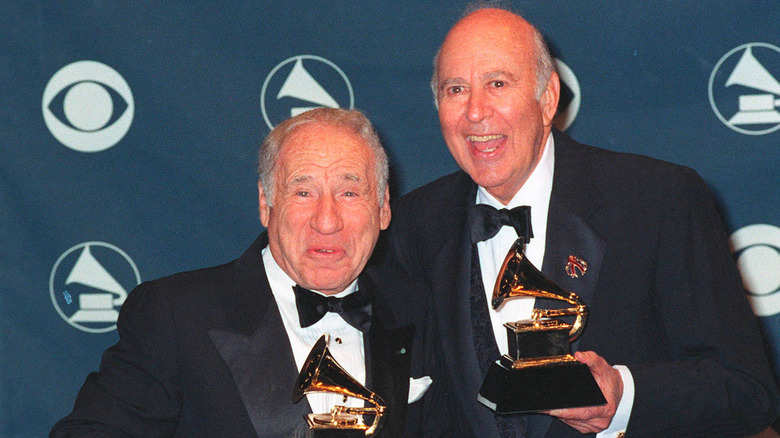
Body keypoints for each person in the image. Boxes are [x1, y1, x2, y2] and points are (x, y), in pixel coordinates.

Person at [387, 6, 779, 438]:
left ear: (548, 98)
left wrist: (625, 396)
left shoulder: (657, 200)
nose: (476, 112)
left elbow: (748, 391)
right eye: (456, 89)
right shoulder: (413, 225)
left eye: (498, 83)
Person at [50, 108, 433, 437]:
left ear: (383, 207)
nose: (327, 220)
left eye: (349, 193)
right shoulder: (176, 316)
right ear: (266, 204)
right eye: (303, 192)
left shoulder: (420, 310)